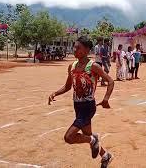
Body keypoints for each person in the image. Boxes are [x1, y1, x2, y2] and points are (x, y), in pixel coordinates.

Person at [48, 36, 114, 168]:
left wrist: (106, 99)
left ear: (86, 50)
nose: (75, 49)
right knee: (87, 135)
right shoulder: (71, 66)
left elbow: (110, 81)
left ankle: (93, 140)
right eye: (74, 47)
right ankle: (106, 155)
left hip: (88, 107)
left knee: (69, 137)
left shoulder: (93, 66)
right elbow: (67, 86)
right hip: (77, 106)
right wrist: (55, 93)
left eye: (78, 47)